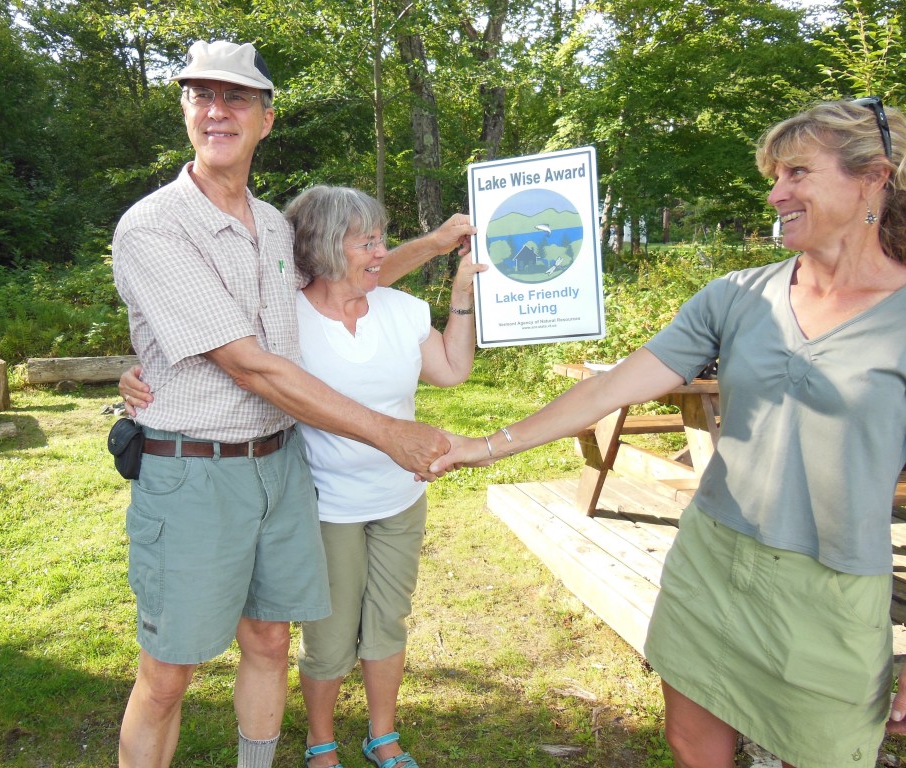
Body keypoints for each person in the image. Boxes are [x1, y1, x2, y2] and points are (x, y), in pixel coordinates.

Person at [431, 98, 906, 768]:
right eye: (774, 177)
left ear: (874, 178)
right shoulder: (736, 296)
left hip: (829, 592)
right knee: (690, 745)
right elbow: (606, 389)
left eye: (797, 173)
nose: (776, 193)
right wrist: (476, 448)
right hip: (712, 562)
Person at [112, 39, 474, 768]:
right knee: (168, 673)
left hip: (282, 467)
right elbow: (250, 364)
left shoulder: (275, 226)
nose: (217, 111)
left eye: (236, 98)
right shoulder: (154, 226)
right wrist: (389, 434)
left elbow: (349, 279)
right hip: (194, 472)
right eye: (201, 96)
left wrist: (433, 246)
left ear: (265, 119)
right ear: (184, 109)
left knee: (271, 641)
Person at [281, 186, 484, 768]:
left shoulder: (400, 309)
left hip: (401, 496)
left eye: (380, 239)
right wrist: (140, 377)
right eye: (365, 241)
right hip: (326, 504)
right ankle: (322, 742)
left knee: (387, 620)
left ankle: (382, 736)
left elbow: (452, 370)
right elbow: (232, 364)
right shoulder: (286, 317)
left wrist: (461, 293)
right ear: (323, 246)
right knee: (330, 633)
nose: (380, 251)